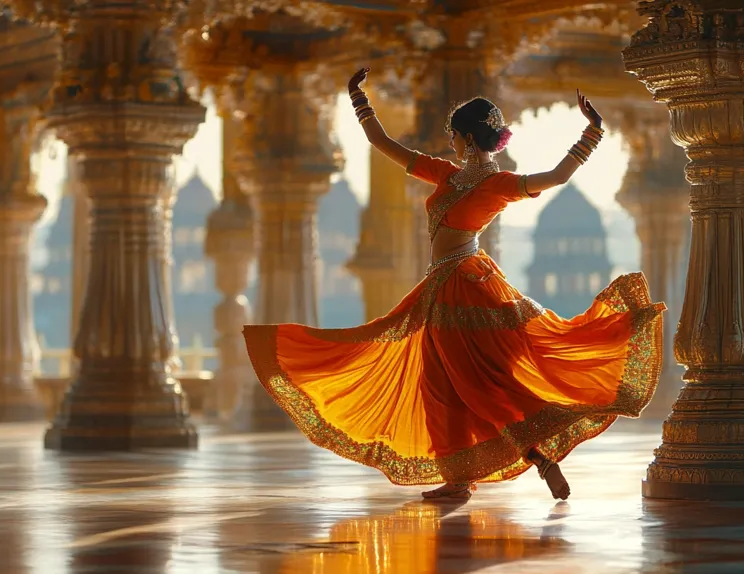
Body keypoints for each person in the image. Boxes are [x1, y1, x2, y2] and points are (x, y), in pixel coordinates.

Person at [243, 67, 666, 501]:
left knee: (465, 383)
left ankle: (507, 467)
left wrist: (592, 134)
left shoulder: (499, 185)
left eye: (454, 135)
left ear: (467, 137)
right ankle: (501, 467)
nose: (451, 142)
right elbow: (382, 144)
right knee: (452, 383)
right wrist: (358, 99)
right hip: (446, 284)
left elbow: (555, 177)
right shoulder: (447, 175)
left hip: (464, 285)